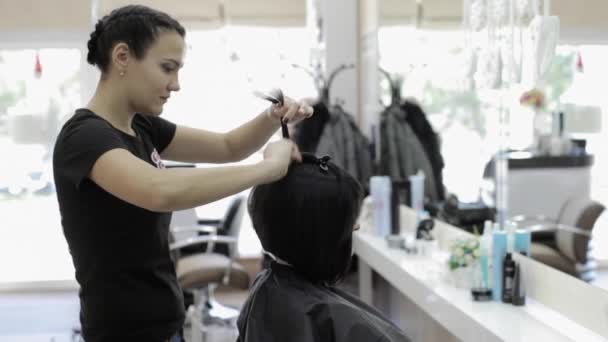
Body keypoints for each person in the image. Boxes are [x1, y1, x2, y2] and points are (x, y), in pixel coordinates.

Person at [52, 5, 313, 342]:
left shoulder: (141, 126)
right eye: (166, 68)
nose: (175, 85)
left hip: (166, 319)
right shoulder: (83, 137)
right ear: (122, 57)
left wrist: (271, 117)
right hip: (121, 332)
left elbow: (227, 147)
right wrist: (268, 169)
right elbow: (159, 191)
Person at [239, 153, 411, 342]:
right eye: (347, 220)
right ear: (319, 233)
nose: (356, 226)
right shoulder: (325, 316)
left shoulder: (266, 287)